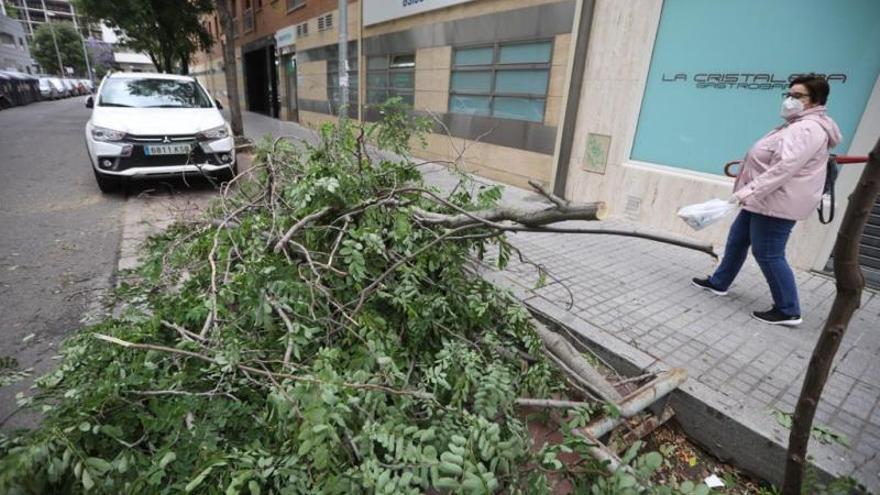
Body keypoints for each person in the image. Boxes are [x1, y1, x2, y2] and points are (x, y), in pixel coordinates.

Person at [692, 74, 842, 326]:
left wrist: (748, 192)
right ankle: (719, 282)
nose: (789, 100)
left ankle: (788, 310)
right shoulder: (796, 124)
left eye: (797, 96)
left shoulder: (807, 128)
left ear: (815, 100)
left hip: (776, 202)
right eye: (788, 94)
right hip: (764, 197)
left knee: (769, 253)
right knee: (738, 239)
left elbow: (786, 167)